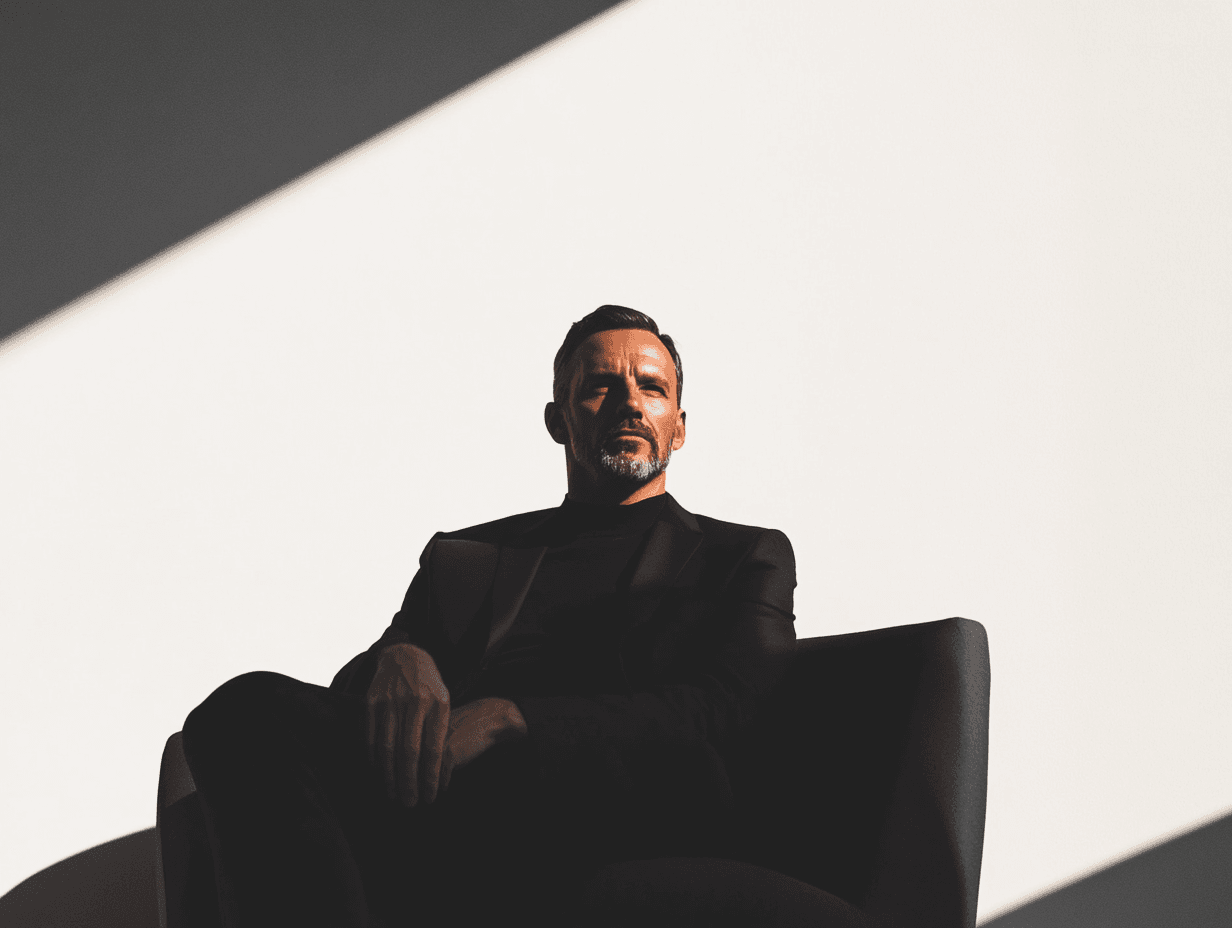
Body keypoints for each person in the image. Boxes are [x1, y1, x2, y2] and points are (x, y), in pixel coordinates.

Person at [182, 306, 797, 927]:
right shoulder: (467, 558)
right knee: (240, 712)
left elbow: (732, 707)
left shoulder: (740, 555)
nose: (631, 403)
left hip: (615, 795)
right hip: (447, 794)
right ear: (558, 422)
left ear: (680, 426)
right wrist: (400, 656)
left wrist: (514, 720)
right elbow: (356, 694)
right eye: (600, 387)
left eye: (652, 387)